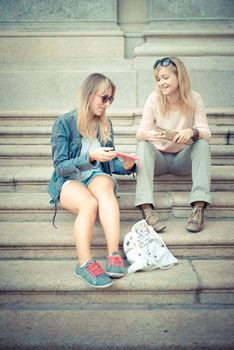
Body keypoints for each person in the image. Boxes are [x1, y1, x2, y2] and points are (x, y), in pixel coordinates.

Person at [48, 73, 136, 288]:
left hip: (95, 177)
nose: (107, 104)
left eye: (110, 100)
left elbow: (108, 164)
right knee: (89, 204)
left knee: (105, 185)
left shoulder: (105, 124)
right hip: (69, 180)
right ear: (89, 95)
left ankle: (114, 254)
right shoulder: (64, 123)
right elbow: (61, 166)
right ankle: (84, 263)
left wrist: (127, 166)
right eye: (103, 98)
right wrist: (89, 157)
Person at [135, 56, 211, 233]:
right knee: (143, 146)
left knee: (202, 144)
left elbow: (207, 133)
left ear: (179, 77)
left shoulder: (194, 98)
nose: (161, 82)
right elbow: (139, 134)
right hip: (159, 160)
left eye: (165, 77)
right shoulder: (154, 99)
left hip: (181, 160)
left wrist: (192, 132)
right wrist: (148, 134)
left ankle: (199, 207)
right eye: (158, 79)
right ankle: (147, 209)